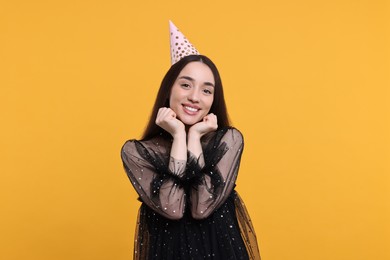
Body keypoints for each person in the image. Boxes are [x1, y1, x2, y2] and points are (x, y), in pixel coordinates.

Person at [121, 21, 260, 260]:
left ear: (213, 99)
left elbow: (201, 205)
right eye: (185, 85)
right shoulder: (136, 151)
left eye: (206, 90)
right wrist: (178, 135)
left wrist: (194, 135)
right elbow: (172, 207)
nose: (195, 97)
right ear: (169, 90)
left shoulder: (228, 140)